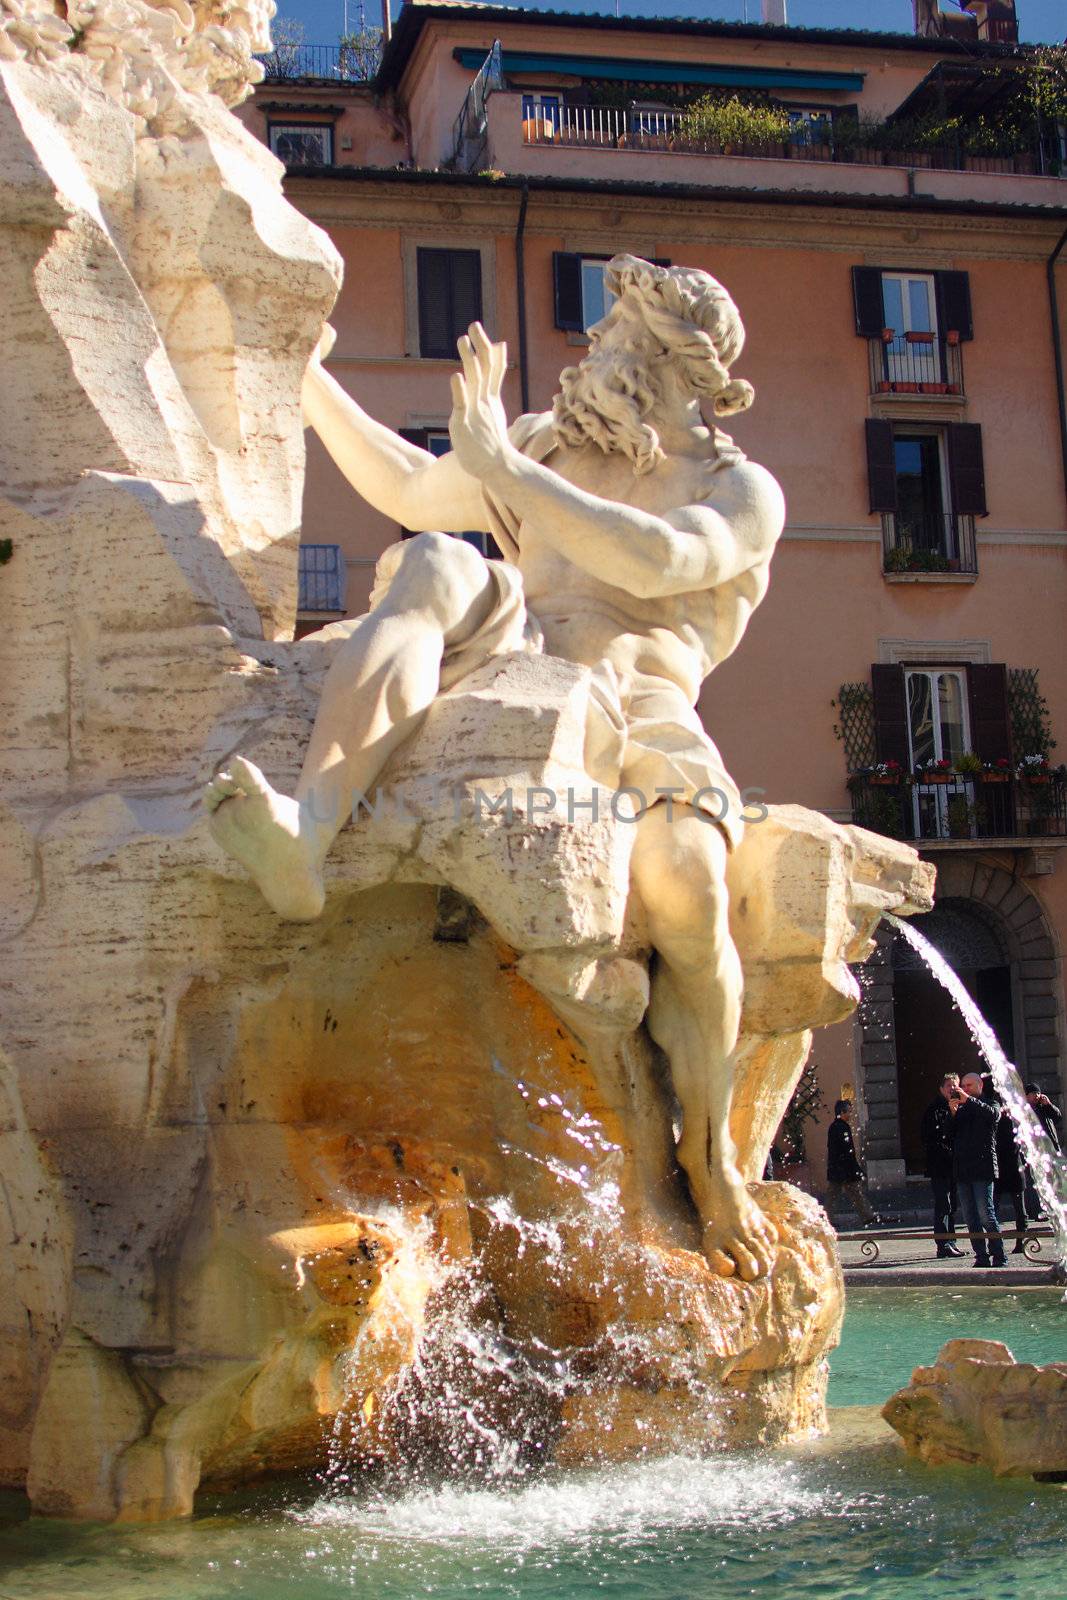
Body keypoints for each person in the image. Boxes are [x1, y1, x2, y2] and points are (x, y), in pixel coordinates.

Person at [204, 257, 786, 1282]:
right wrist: (298, 370)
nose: (592, 351)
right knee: (434, 560)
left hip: (641, 706)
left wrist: (508, 472)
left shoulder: (734, 489)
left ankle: (711, 1155)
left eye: (615, 339)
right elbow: (402, 485)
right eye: (600, 333)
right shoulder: (541, 443)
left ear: (674, 368)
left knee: (688, 891)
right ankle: (306, 833)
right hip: (517, 653)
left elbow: (658, 560)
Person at [950, 1072, 1006, 1268]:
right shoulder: (962, 1109)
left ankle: (999, 1255)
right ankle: (981, 1256)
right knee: (970, 1217)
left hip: (983, 1168)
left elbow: (993, 1117)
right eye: (963, 1086)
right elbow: (950, 1136)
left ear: (980, 1085)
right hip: (963, 1170)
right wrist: (952, 1114)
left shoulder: (990, 1103)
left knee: (986, 1214)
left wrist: (969, 1101)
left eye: (969, 1085)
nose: (965, 1089)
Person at [920, 1073, 964, 1258]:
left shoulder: (959, 1107)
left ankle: (951, 1241)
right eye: (949, 1086)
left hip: (954, 1165)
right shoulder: (934, 1110)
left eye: (955, 1085)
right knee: (943, 1204)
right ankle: (943, 1244)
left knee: (952, 1204)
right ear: (941, 1088)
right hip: (939, 1164)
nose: (952, 1089)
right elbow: (929, 1137)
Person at [983, 1079, 1029, 1254]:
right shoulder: (995, 1111)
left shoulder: (1017, 1114)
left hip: (1014, 1166)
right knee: (993, 1208)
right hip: (1000, 1166)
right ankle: (994, 1244)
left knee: (1018, 1208)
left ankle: (1020, 1243)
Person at [825, 1101, 879, 1228]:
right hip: (844, 1169)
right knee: (851, 1194)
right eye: (848, 1111)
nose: (850, 1114)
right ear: (842, 1113)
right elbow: (847, 1150)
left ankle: (867, 1216)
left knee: (840, 1195)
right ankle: (867, 1217)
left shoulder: (834, 1126)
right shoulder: (842, 1127)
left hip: (838, 1168)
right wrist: (854, 1168)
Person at [1024, 1082, 1063, 1219]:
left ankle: (1055, 1209)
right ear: (1027, 1096)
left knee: (1054, 1181)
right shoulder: (1024, 1110)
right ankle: (1038, 1210)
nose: (1037, 1096)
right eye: (1033, 1094)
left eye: (1038, 1093)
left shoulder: (1044, 1107)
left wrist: (1049, 1104)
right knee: (1036, 1182)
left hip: (1050, 1150)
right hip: (1034, 1152)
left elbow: (1058, 1117)